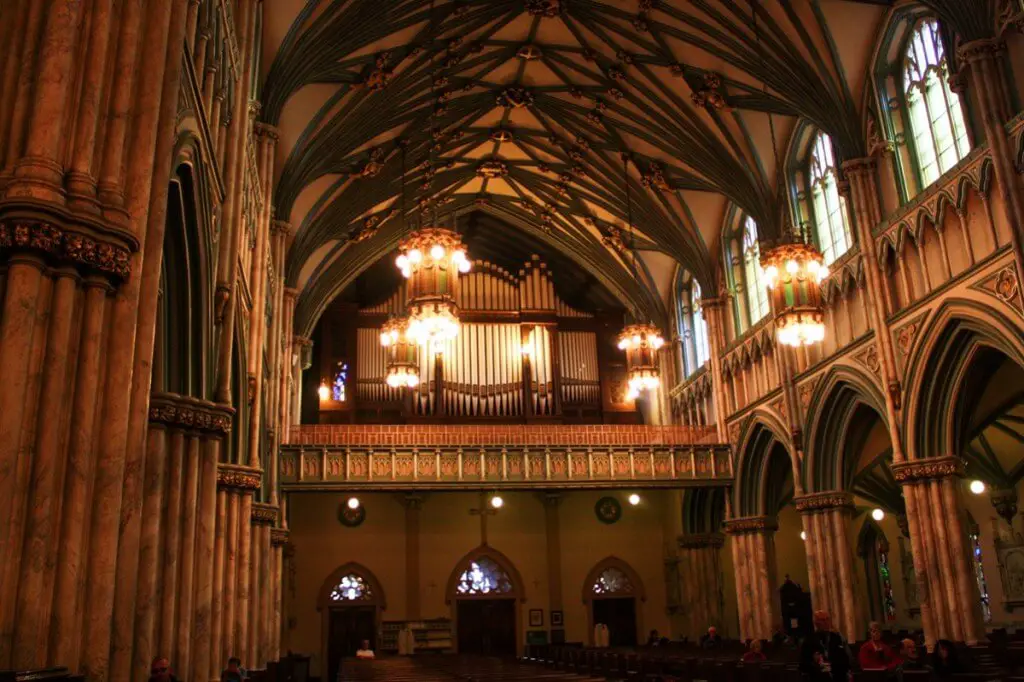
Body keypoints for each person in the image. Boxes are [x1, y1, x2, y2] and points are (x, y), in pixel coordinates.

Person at [799, 611, 851, 681]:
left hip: (838, 676)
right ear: (816, 623)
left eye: (827, 619)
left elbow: (846, 659)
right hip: (819, 677)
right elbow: (803, 665)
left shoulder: (836, 637)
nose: (826, 622)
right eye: (823, 620)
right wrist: (814, 662)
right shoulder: (809, 640)